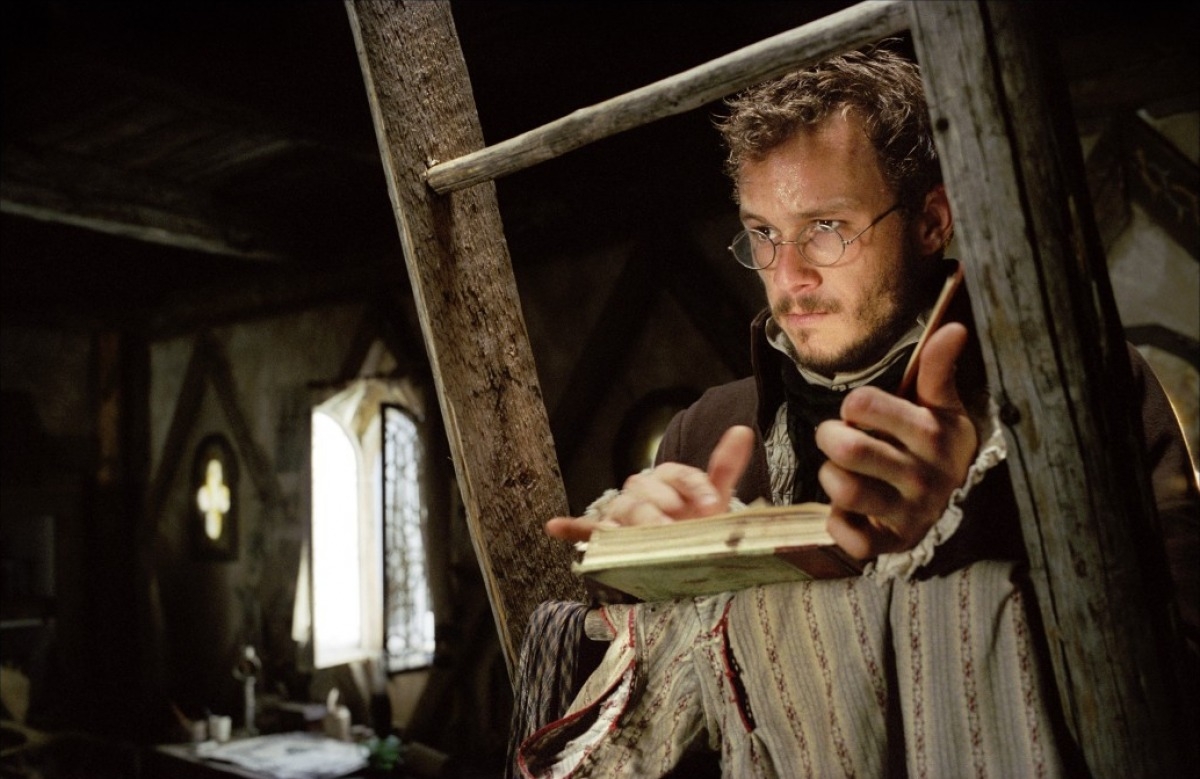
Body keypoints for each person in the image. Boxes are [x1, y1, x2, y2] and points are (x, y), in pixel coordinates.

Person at [517, 42, 1198, 778]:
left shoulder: (1075, 390)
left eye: (827, 228)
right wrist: (647, 578)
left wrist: (974, 526)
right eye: (763, 233)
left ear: (931, 221)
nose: (789, 276)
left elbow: (1180, 679)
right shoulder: (708, 429)